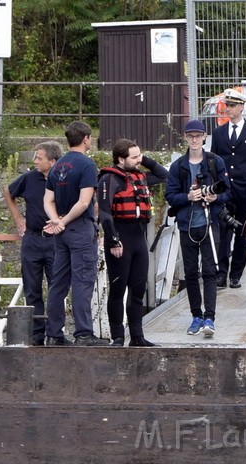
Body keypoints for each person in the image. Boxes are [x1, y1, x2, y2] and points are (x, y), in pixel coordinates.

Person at [43, 121, 110, 346]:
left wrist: (56, 220)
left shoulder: (57, 166)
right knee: (82, 281)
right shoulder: (87, 165)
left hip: (61, 233)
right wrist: (64, 220)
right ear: (86, 139)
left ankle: (53, 334)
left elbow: (48, 200)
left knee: (58, 282)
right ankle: (83, 334)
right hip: (80, 228)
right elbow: (84, 202)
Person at [97, 138, 167, 347]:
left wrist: (144, 159)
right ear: (120, 159)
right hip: (120, 237)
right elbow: (105, 213)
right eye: (134, 157)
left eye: (140, 156)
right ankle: (118, 336)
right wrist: (113, 240)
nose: (139, 160)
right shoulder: (109, 179)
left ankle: (137, 336)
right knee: (118, 290)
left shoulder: (140, 177)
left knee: (138, 289)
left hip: (138, 238)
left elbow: (165, 175)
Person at [165, 119, 230, 337]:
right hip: (187, 225)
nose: (194, 139)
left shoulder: (215, 162)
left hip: (210, 223)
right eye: (190, 136)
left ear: (204, 137)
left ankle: (210, 317)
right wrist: (187, 196)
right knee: (191, 273)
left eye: (198, 135)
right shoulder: (178, 166)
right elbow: (170, 196)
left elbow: (228, 192)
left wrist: (214, 197)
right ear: (185, 137)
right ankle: (196, 316)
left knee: (210, 272)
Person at [3, 141, 63, 346]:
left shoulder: (64, 179)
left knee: (57, 287)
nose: (35, 161)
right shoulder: (29, 178)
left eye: (39, 158)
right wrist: (19, 219)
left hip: (56, 240)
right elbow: (8, 192)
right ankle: (37, 334)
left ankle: (56, 332)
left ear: (52, 161)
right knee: (32, 288)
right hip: (32, 239)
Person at [210, 88, 246, 289]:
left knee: (243, 232)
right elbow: (214, 161)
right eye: (227, 106)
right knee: (223, 233)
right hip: (225, 191)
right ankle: (221, 274)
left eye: (232, 106)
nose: (229, 109)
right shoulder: (218, 133)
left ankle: (236, 274)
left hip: (245, 191)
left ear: (242, 107)